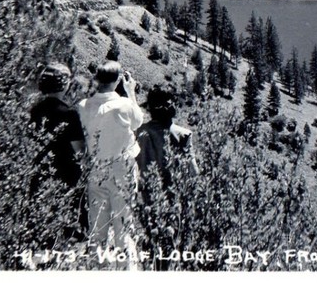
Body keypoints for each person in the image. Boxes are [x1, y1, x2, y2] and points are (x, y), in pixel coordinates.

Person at [77, 61, 144, 260]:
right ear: (118, 80)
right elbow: (138, 121)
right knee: (124, 225)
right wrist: (130, 92)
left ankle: (95, 266)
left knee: (97, 227)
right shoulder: (124, 105)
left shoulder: (83, 106)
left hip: (95, 168)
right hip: (122, 167)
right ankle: (126, 268)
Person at [29, 62, 85, 240]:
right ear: (65, 84)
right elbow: (80, 150)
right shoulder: (69, 113)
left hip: (39, 170)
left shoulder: (35, 109)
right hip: (64, 174)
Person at [136, 85, 199, 193]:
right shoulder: (184, 135)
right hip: (174, 194)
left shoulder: (139, 131)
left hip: (147, 193)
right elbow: (194, 172)